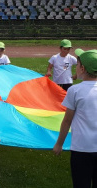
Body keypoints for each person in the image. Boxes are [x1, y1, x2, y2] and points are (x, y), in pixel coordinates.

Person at [53, 49, 97, 188]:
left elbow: (67, 120)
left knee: (81, 183)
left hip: (81, 149)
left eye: (77, 64)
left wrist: (59, 143)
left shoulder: (74, 90)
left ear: (82, 69)